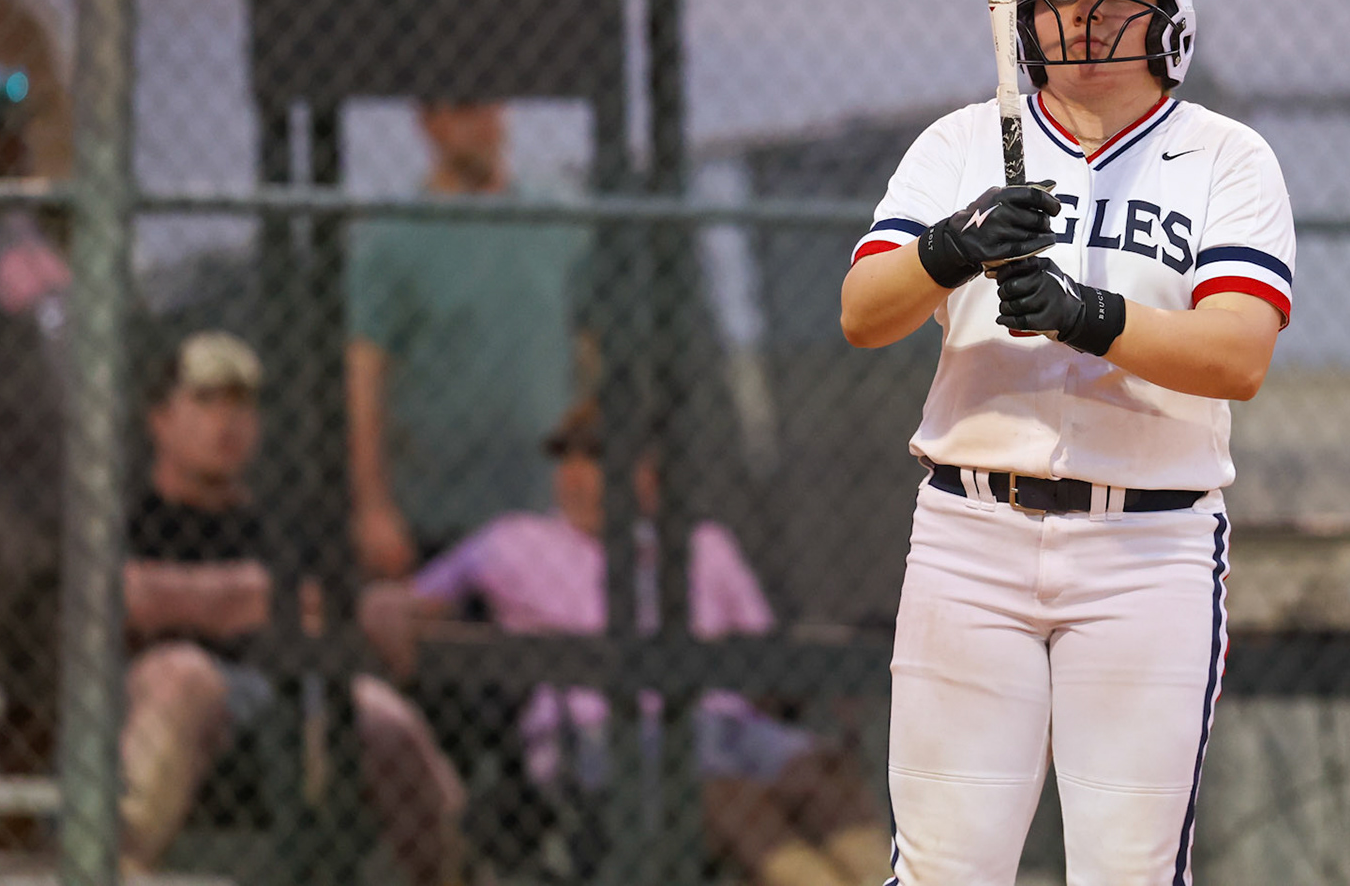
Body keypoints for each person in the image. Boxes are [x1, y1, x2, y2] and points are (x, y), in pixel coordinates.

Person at [838, 0, 1295, 883]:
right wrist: (950, 248)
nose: (1084, 15)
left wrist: (1089, 314)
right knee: (943, 872)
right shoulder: (963, 143)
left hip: (1148, 548)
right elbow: (864, 312)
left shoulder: (1226, 156)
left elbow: (1239, 355)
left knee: (1128, 873)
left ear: (1171, 23)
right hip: (971, 533)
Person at [359, 401, 890, 886]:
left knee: (824, 776)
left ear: (648, 475)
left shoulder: (704, 546)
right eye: (566, 459)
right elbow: (405, 600)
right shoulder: (514, 542)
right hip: (602, 740)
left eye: (596, 458)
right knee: (725, 795)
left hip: (728, 725)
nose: (575, 475)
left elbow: (764, 655)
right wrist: (385, 609)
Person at [120, 331, 467, 883]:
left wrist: (219, 600)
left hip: (280, 695)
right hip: (160, 701)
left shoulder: (281, 525)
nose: (226, 422)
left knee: (383, 716)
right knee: (183, 674)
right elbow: (131, 600)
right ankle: (114, 863)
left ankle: (456, 876)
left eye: (242, 404)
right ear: (160, 420)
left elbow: (336, 610)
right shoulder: (130, 516)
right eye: (205, 401)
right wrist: (258, 596)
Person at [346, 98, 593, 578]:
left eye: (489, 105)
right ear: (428, 122)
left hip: (547, 513)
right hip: (437, 517)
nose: (483, 123)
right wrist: (373, 508)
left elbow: (590, 350)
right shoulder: (391, 237)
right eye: (463, 109)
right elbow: (363, 377)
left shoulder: (560, 216)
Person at [0, 30, 70, 780]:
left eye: (12, 129)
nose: (12, 145)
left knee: (50, 692)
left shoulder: (24, 225)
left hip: (57, 503)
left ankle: (17, 834)